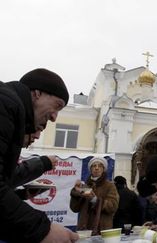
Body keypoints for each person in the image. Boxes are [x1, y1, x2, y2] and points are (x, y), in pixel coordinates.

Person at [0, 68, 78, 243]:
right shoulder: (6, 103)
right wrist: (43, 229)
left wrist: (19, 197)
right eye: (57, 106)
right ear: (37, 93)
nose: (54, 118)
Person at [70, 157, 119, 235]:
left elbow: (113, 206)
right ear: (90, 169)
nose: (97, 168)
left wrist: (95, 200)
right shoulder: (85, 186)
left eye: (100, 166)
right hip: (84, 228)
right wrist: (76, 193)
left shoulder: (110, 186)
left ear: (103, 169)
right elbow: (75, 208)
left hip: (102, 228)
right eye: (94, 166)